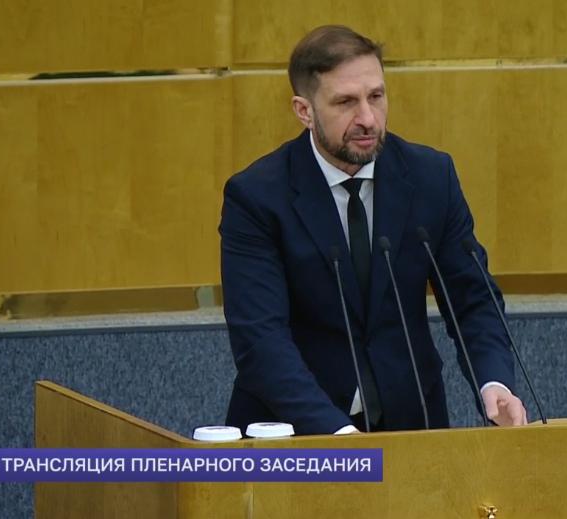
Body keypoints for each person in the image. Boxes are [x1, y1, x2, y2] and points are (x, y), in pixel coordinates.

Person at [219, 25, 526, 435]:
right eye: (345, 102)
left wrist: (494, 382)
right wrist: (341, 439)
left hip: (411, 425)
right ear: (304, 111)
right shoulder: (257, 197)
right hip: (296, 433)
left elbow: (472, 299)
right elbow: (261, 341)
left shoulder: (431, 177)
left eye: (376, 97)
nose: (367, 118)